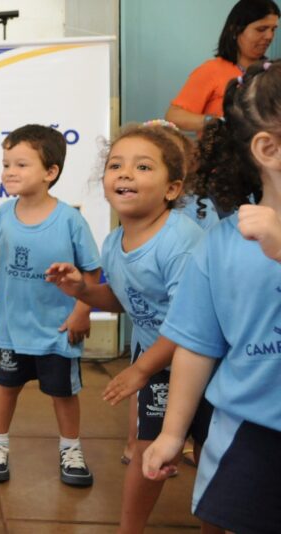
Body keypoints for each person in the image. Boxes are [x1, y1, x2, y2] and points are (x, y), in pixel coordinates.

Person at [45, 125, 206, 533]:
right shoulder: (115, 243)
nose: (125, 173)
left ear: (172, 189)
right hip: (158, 362)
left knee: (211, 452)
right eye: (116, 165)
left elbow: (190, 323)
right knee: (147, 450)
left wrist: (140, 369)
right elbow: (122, 300)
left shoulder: (180, 240)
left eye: (143, 166)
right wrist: (81, 289)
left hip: (203, 362)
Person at [143, 60, 281, 534]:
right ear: (269, 147)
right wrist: (171, 433)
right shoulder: (220, 245)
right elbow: (198, 346)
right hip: (251, 434)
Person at [0, 125, 101, 488]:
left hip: (57, 328)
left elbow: (93, 269)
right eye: (6, 163)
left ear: (50, 172)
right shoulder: (4, 213)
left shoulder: (70, 219)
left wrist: (80, 311)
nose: (9, 171)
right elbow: (0, 255)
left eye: (21, 164)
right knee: (5, 386)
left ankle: (71, 450)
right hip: (14, 328)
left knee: (63, 394)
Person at [166, 0, 279, 134]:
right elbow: (174, 117)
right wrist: (218, 122)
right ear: (235, 30)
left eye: (273, 29)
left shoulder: (272, 71)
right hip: (221, 153)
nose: (269, 36)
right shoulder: (211, 70)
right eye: (261, 29)